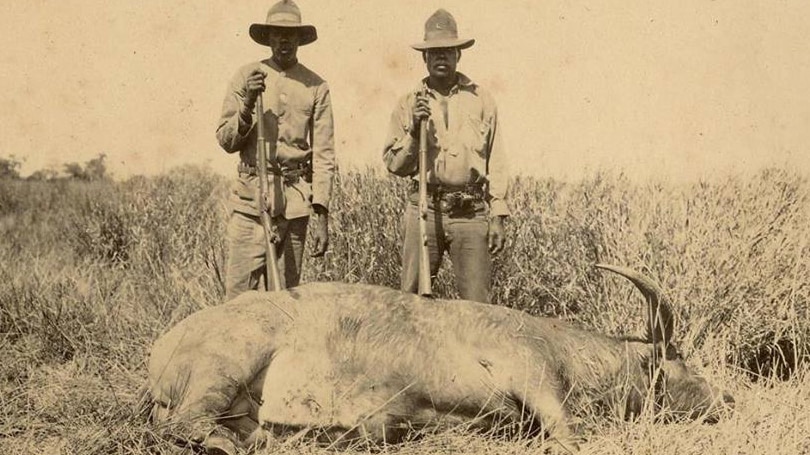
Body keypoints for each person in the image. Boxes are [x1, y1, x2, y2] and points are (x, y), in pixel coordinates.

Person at [383, 9, 510, 303]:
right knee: (411, 303)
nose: (442, 58)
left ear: (458, 55)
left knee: (478, 308)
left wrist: (498, 215)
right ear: (424, 58)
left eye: (448, 51)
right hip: (425, 210)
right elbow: (394, 165)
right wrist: (415, 130)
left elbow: (497, 159)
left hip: (470, 212)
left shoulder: (481, 99)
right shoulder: (409, 103)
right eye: (434, 52)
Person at [216, 0, 335, 300]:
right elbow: (226, 140)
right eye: (278, 33)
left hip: (294, 205)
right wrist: (246, 105)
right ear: (268, 37)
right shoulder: (247, 76)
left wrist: (320, 212)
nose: (284, 40)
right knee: (238, 301)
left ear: (300, 39)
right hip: (250, 204)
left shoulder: (316, 86)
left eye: (291, 34)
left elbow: (324, 153)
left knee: (285, 301)